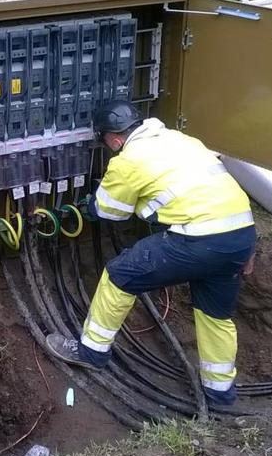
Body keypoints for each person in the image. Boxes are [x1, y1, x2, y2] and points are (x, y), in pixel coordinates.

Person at [44, 100, 257, 407]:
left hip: (196, 240)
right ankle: (219, 393)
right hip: (240, 237)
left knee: (120, 275)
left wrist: (87, 206)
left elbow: (110, 210)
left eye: (104, 140)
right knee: (216, 316)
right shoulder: (182, 140)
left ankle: (91, 352)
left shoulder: (128, 159)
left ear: (114, 139)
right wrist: (250, 247)